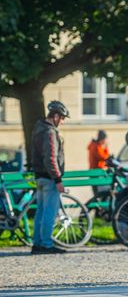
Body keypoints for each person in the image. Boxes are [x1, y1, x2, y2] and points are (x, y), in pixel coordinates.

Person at [30, 100, 70, 254]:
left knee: (40, 211)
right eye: (62, 118)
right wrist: (58, 179)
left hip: (40, 176)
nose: (63, 122)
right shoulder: (50, 132)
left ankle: (37, 243)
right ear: (56, 116)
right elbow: (50, 158)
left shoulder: (38, 129)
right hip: (49, 178)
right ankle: (46, 244)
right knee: (49, 212)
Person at [87, 130, 110, 196]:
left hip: (95, 171)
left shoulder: (95, 145)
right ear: (102, 139)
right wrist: (106, 148)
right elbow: (103, 157)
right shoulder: (96, 146)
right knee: (98, 192)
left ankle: (98, 200)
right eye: (105, 139)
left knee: (97, 190)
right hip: (96, 172)